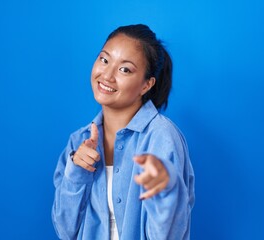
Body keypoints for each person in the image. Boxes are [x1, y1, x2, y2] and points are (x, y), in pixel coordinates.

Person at [51, 24, 195, 240]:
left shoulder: (161, 137)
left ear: (146, 85)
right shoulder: (79, 141)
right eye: (104, 60)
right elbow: (65, 230)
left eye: (124, 69)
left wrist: (166, 191)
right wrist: (77, 171)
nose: (107, 75)